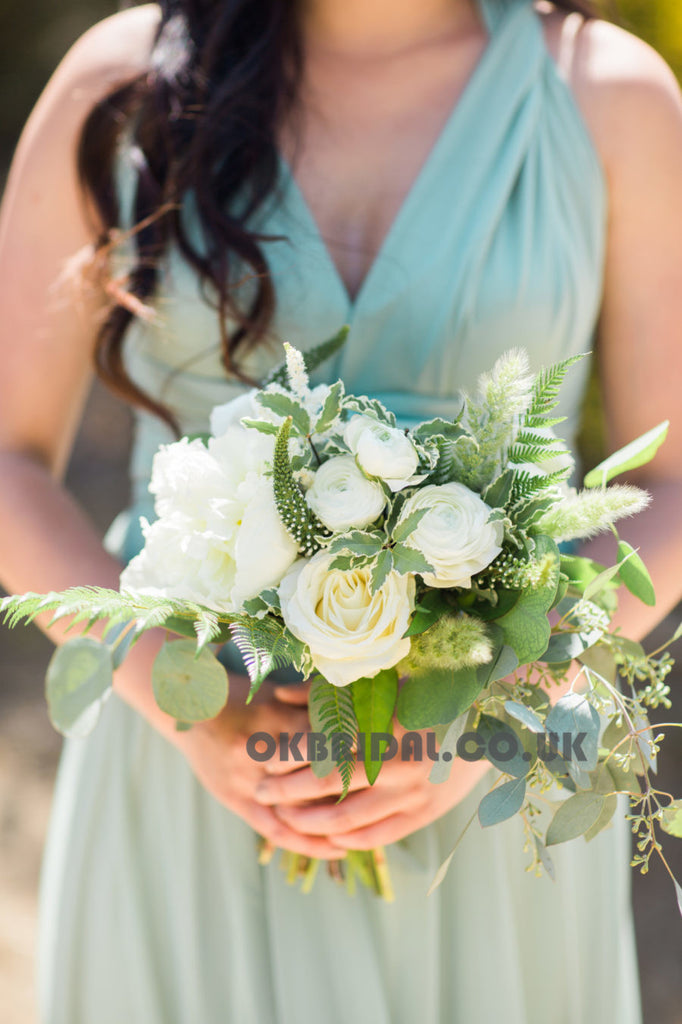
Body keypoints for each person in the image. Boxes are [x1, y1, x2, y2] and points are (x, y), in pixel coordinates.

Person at [1, 0, 681, 1020]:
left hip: (487, 789)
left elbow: (671, 482)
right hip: (187, 760)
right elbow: (8, 455)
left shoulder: (609, 95)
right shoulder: (124, 83)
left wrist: (504, 715)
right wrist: (195, 717)